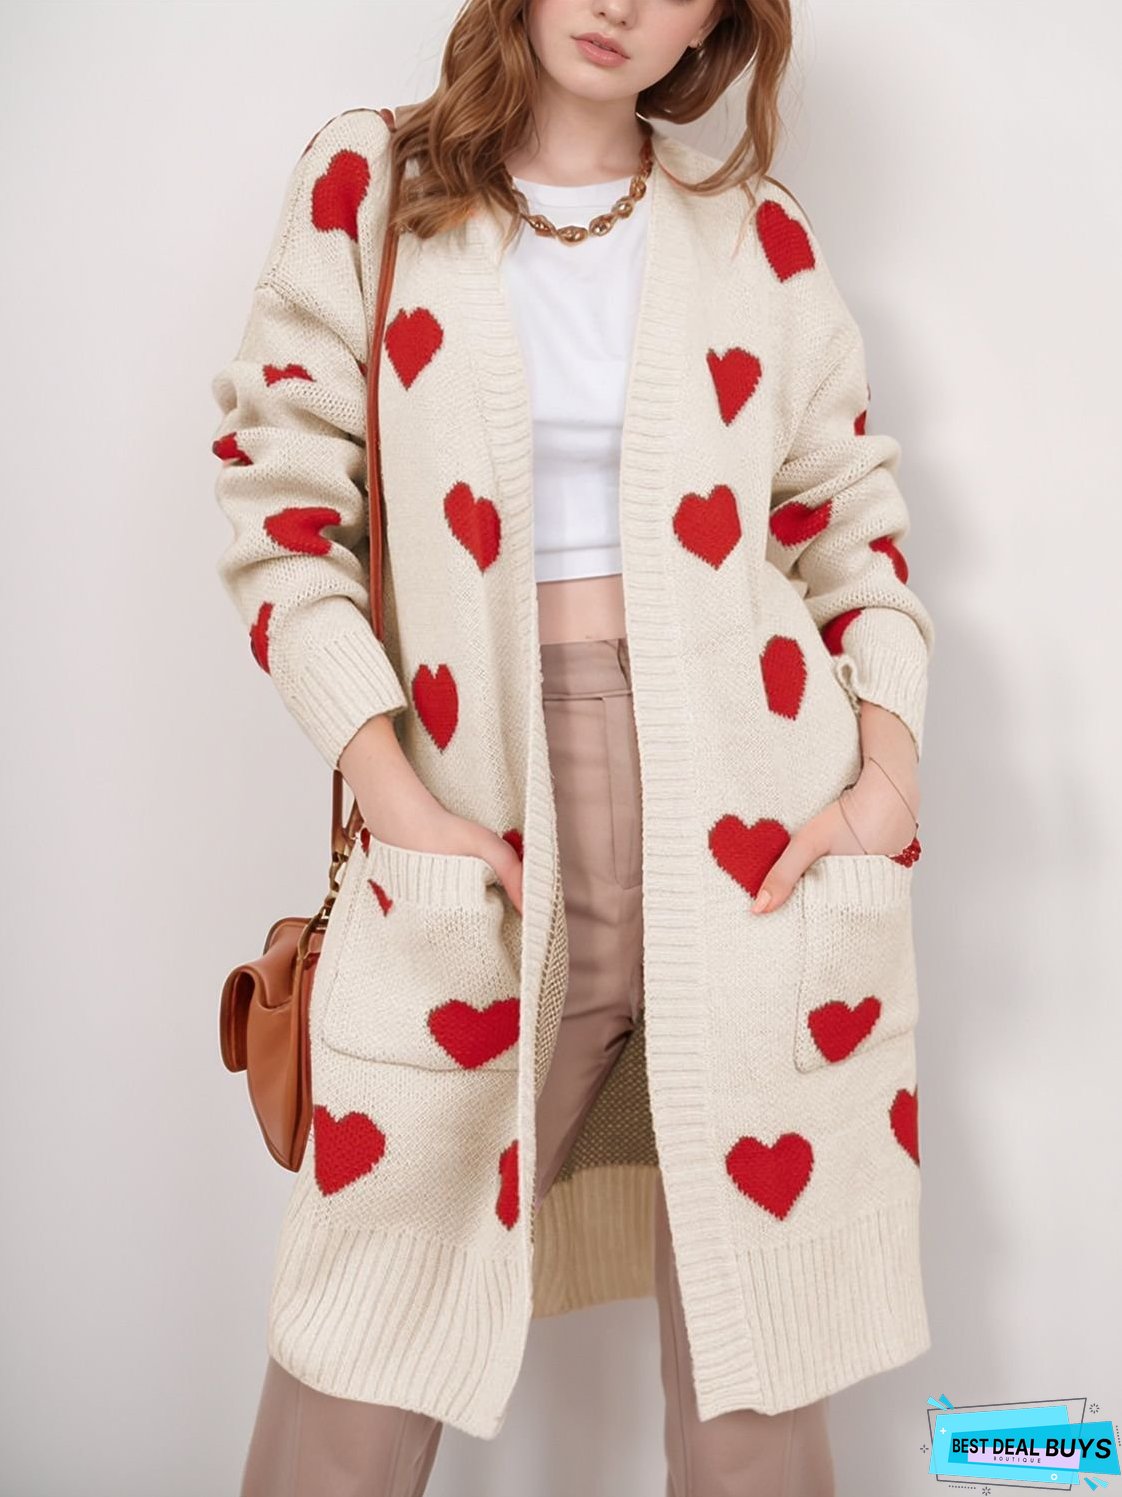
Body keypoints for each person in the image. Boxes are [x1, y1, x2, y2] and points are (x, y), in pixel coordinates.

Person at [211, 1, 936, 1492]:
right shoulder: (374, 184)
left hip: (751, 807)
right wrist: (393, 795)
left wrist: (885, 779)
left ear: (717, 22)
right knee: (376, 1308)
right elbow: (281, 512)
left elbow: (847, 521)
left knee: (755, 1348)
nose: (619, 5)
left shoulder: (752, 229)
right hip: (476, 802)